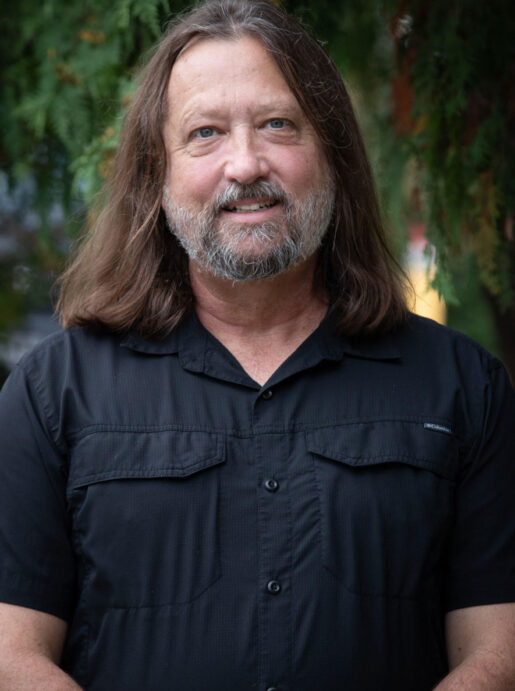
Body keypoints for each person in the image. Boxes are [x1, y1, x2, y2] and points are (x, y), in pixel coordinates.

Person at [0, 1, 514, 689]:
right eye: (205, 133)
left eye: (277, 125)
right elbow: (12, 651)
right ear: (157, 175)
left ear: (329, 154)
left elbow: (496, 649)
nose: (244, 164)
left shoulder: (461, 386)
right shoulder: (51, 392)